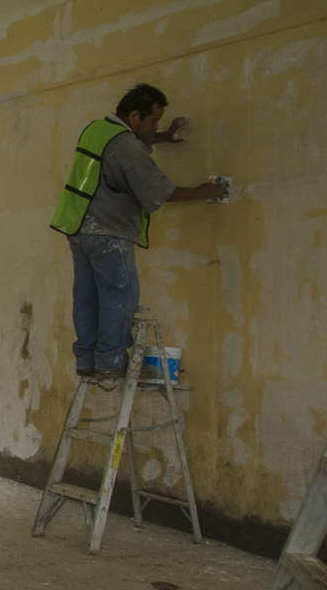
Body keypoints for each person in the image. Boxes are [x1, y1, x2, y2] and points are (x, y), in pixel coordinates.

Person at [50, 82, 226, 380]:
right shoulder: (126, 146)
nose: (154, 126)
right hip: (107, 230)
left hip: (79, 226)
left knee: (87, 296)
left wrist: (164, 137)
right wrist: (202, 191)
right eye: (153, 120)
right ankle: (112, 360)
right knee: (121, 294)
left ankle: (87, 359)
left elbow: (124, 148)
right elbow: (156, 190)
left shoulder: (97, 129)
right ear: (134, 116)